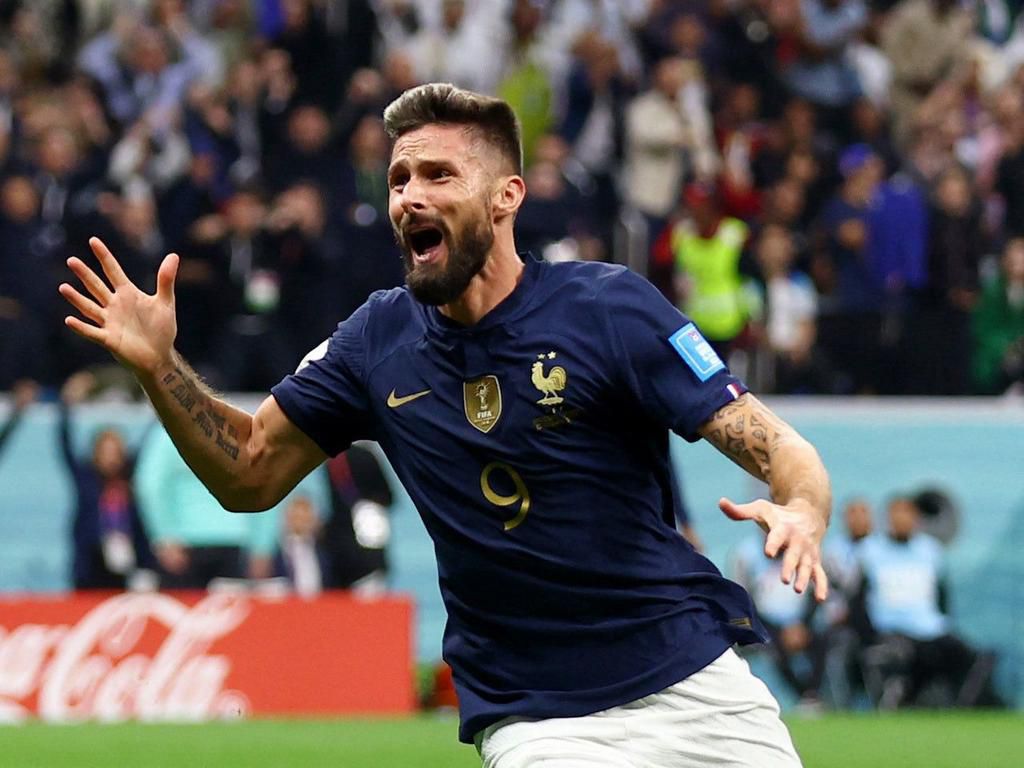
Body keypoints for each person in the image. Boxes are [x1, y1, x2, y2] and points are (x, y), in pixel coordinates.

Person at [59, 83, 831, 767]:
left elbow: (776, 445)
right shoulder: (375, 341)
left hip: (691, 678)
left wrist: (803, 507)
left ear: (507, 197)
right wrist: (160, 368)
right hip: (542, 720)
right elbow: (249, 469)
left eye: (437, 174)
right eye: (399, 179)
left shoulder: (609, 310)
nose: (409, 196)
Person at [57, 371, 154, 590]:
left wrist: (157, 405)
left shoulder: (129, 477)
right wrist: (67, 404)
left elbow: (150, 442)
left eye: (115, 451)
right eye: (106, 451)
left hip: (126, 561)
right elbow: (64, 444)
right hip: (89, 561)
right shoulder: (86, 477)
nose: (111, 458)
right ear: (96, 453)